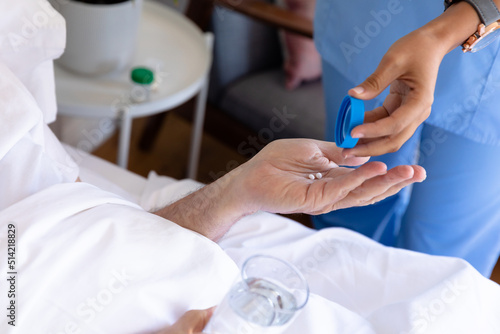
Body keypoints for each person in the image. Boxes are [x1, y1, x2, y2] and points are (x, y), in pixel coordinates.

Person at [313, 0, 500, 277]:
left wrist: (439, 35)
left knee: (442, 262)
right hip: (369, 26)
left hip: (490, 82)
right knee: (346, 205)